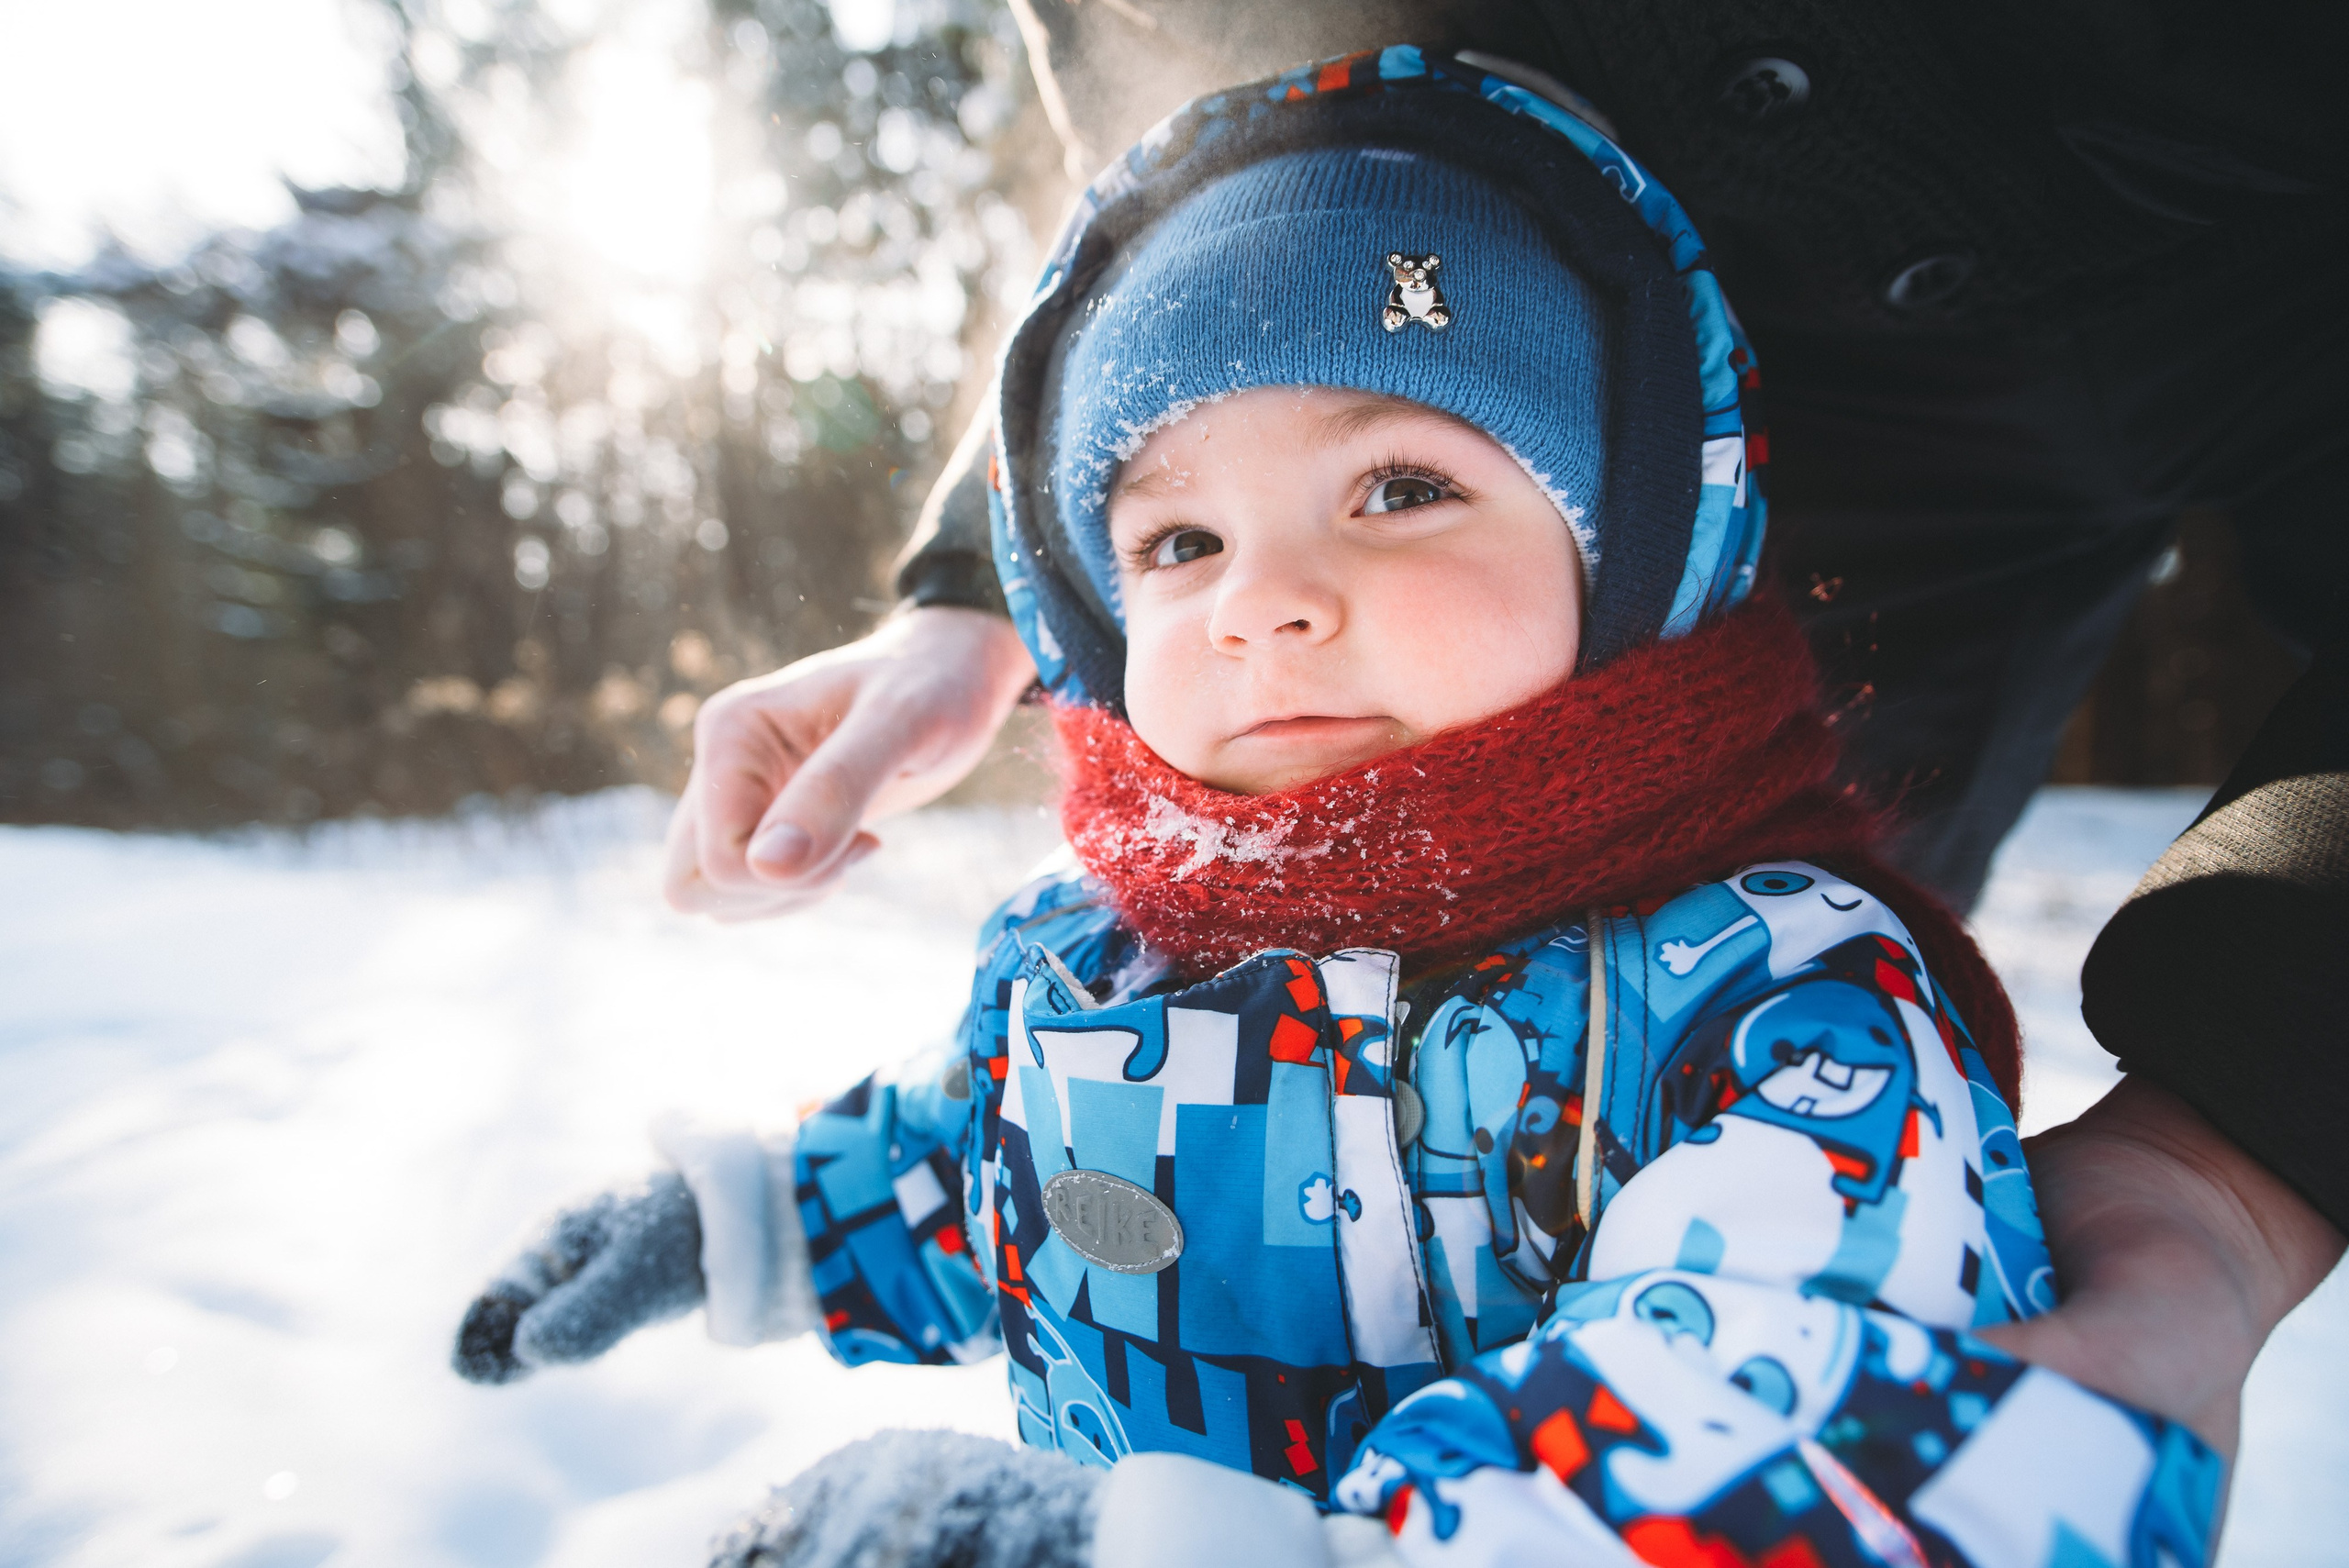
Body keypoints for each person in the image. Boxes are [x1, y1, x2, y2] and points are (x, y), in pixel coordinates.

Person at [463, 55, 2223, 1565]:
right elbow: (992, 1184)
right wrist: (752, 1217)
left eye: (1397, 485)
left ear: (1631, 555)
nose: (1265, 598)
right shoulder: (1085, 962)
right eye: (1178, 541)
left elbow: (1787, 1416)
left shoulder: (1763, 995)